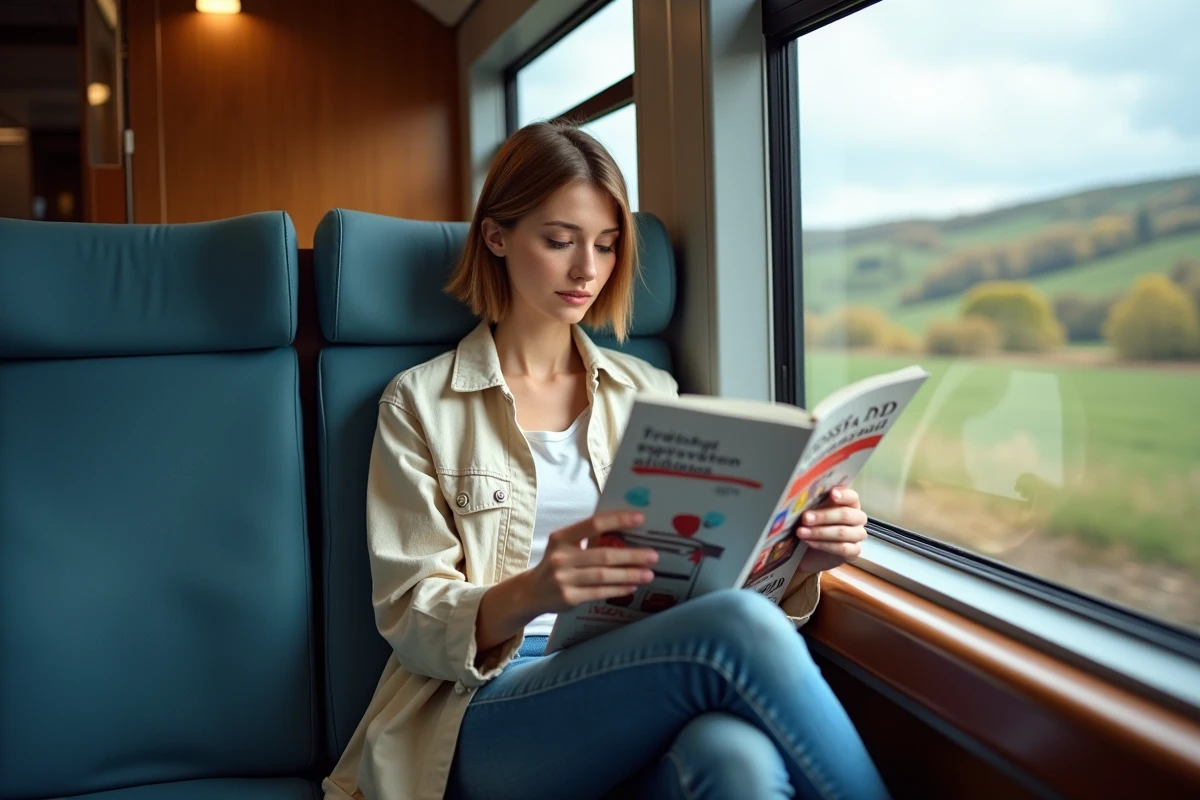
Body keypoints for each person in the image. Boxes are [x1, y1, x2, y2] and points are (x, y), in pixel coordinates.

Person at [322, 121, 890, 800]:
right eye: (559, 241)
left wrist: (799, 559)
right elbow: (411, 617)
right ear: (497, 236)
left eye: (606, 246)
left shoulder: (649, 392)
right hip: (480, 708)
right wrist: (533, 591)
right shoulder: (420, 404)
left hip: (633, 675)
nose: (587, 270)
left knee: (733, 758)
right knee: (737, 632)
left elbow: (705, 582)